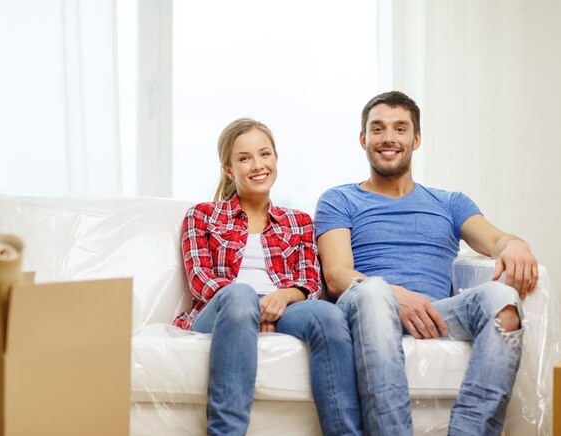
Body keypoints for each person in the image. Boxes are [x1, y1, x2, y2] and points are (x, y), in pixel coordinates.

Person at [314, 91, 538, 435]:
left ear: (416, 139)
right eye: (378, 129)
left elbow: (495, 240)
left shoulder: (449, 202)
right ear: (363, 139)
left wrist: (516, 244)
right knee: (373, 295)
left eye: (400, 129)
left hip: (435, 314)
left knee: (503, 302)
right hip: (368, 311)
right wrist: (393, 296)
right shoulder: (340, 199)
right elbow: (337, 274)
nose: (388, 138)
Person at [173, 118, 363, 435]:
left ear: (275, 158)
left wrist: (280, 298)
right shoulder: (202, 215)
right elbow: (201, 282)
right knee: (240, 296)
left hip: (283, 307)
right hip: (223, 308)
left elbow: (311, 284)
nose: (258, 165)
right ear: (229, 170)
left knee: (328, 315)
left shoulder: (298, 221)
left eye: (265, 154)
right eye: (245, 158)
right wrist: (250, 307)